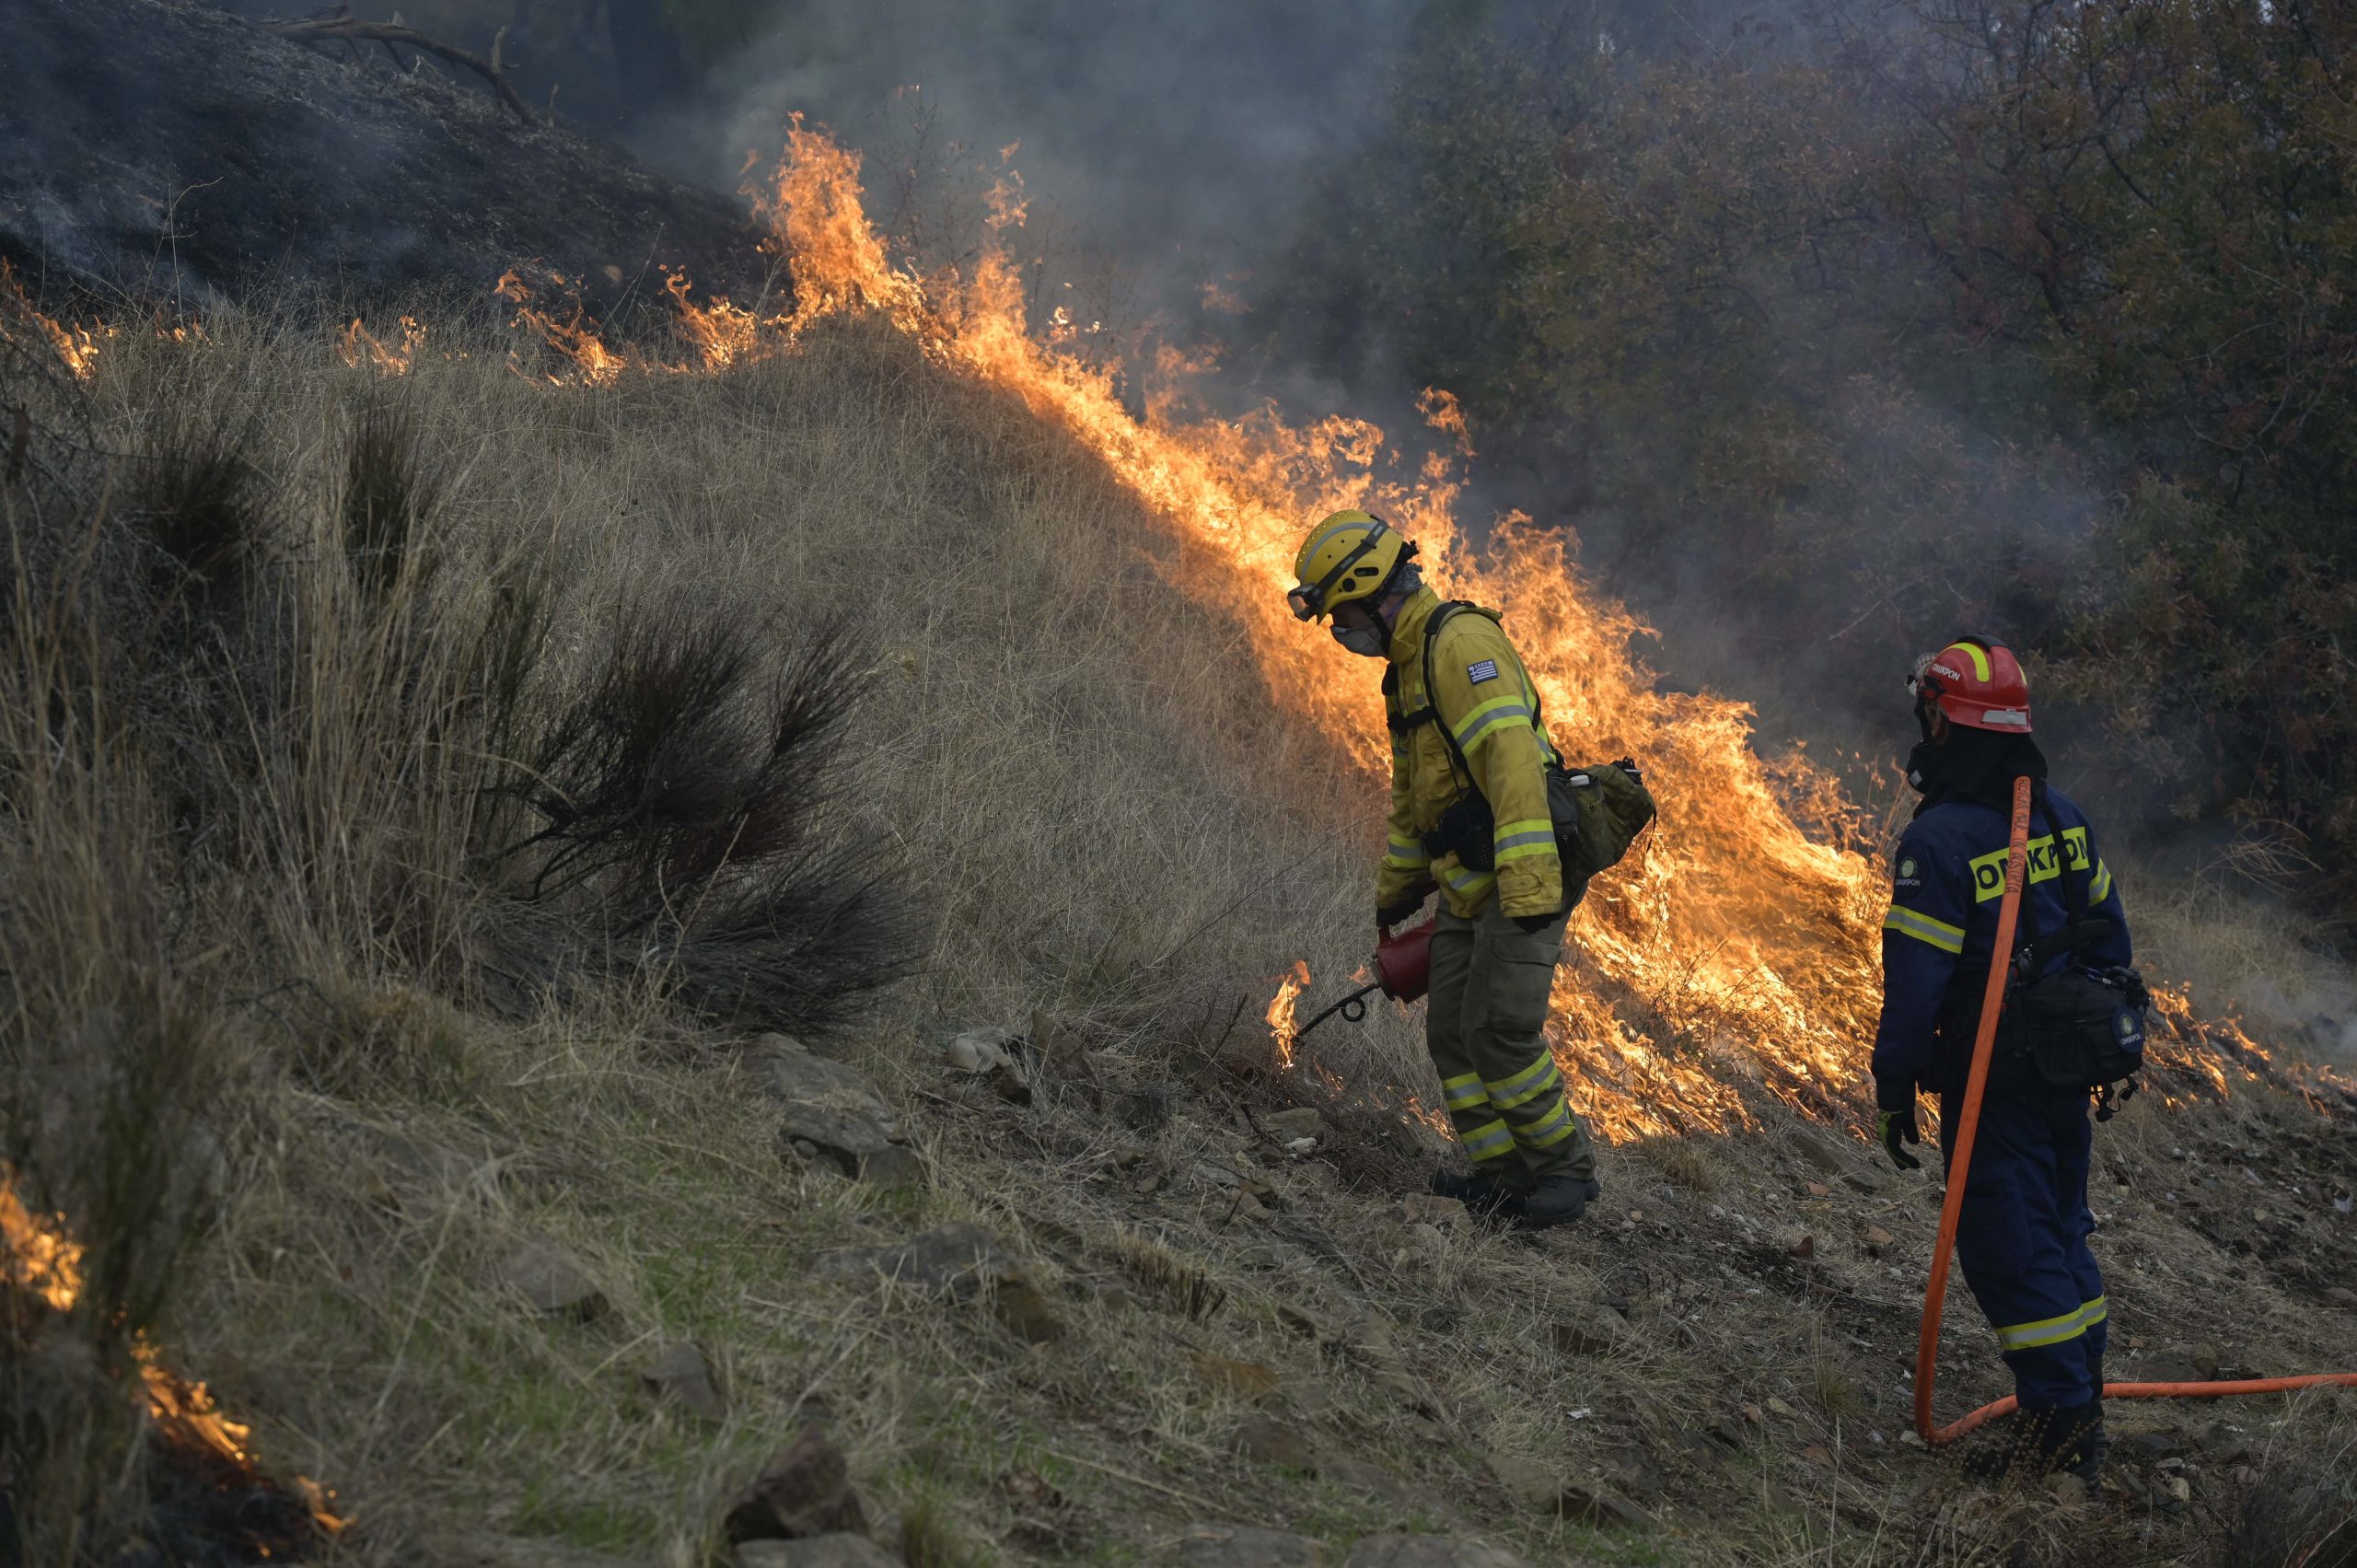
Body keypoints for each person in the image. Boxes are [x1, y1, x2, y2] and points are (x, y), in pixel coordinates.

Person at [1286, 509, 1601, 1228]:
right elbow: (1415, 798)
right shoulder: (1408, 668)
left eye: (1343, 614)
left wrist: (1524, 891)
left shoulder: (1459, 645)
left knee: (1501, 1030)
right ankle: (1502, 1174)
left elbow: (1514, 766)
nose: (1342, 632)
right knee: (1453, 1033)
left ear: (1371, 591)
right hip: (1468, 882)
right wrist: (1397, 889)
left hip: (1523, 876)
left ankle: (1562, 1172)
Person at [1872, 635, 2132, 1482]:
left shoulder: (1939, 845)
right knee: (2060, 1228)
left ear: (1946, 726)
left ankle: (2061, 1432)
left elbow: (1914, 992)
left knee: (2009, 1250)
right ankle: (2078, 1391)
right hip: (2062, 1078)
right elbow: (2111, 946)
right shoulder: (2067, 817)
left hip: (1993, 1086)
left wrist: (1892, 1088)